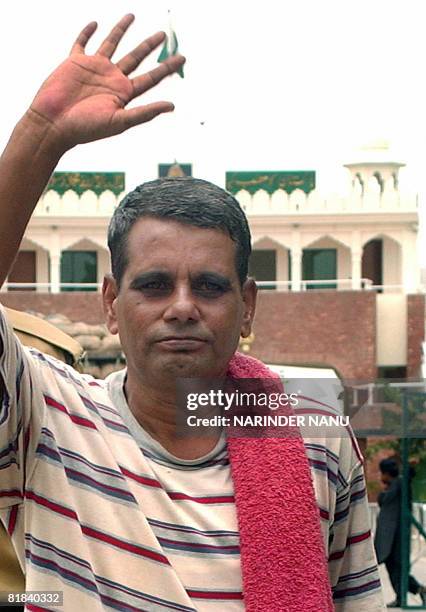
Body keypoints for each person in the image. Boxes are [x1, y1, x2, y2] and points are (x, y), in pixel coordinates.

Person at [0, 15, 385, 611]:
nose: (182, 308)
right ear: (110, 302)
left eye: (208, 286)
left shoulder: (316, 440)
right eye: (153, 285)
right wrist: (41, 135)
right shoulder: (49, 419)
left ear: (247, 304)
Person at [374, 457, 426, 608]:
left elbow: (407, 476)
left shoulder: (399, 484)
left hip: (397, 537)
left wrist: (409, 466)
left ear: (386, 473)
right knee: (394, 568)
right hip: (390, 538)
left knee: (398, 568)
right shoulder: (391, 487)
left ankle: (414, 591)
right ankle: (411, 592)